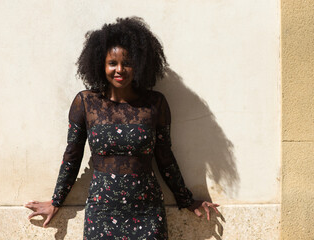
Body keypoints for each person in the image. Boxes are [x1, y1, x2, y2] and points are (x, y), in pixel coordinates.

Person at [25, 17, 219, 239]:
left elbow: (165, 156)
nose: (120, 69)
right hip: (101, 212)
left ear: (139, 64)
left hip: (147, 211)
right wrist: (56, 200)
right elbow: (72, 155)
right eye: (112, 63)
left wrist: (185, 199)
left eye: (127, 63)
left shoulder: (155, 104)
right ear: (101, 64)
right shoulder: (86, 102)